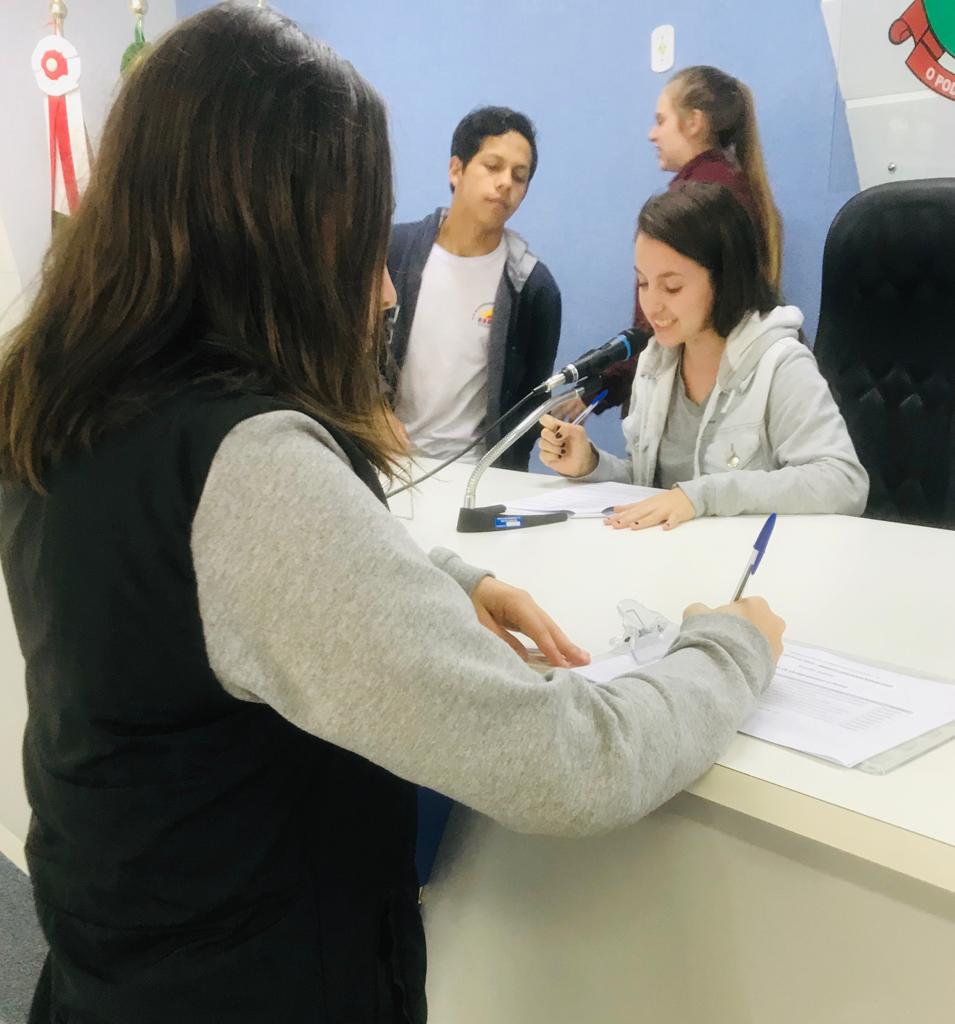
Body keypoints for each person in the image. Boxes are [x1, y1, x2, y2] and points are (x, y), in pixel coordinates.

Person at [0, 7, 785, 1023]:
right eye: (357, 247)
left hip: (115, 969)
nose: (379, 293)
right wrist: (727, 647)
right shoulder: (247, 463)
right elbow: (567, 764)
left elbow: (198, 591)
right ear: (273, 241)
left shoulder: (64, 398)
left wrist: (440, 583)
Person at [539, 182, 868, 529]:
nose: (652, 305)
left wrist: (704, 496)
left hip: (749, 560)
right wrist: (591, 464)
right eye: (643, 283)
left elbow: (843, 482)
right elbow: (650, 487)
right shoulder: (656, 362)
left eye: (672, 287)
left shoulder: (781, 363)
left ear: (724, 280)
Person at [557, 64, 784, 421]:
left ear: (693, 122)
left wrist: (605, 385)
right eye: (644, 283)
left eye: (661, 120)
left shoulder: (701, 203)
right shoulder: (733, 188)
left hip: (692, 394)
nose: (652, 134)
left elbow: (657, 322)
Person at [386, 106, 561, 470]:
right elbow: (347, 356)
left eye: (519, 176)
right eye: (493, 166)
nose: (505, 183)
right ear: (456, 169)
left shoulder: (533, 288)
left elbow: (529, 405)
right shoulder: (392, 252)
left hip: (475, 476)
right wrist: (373, 414)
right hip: (385, 461)